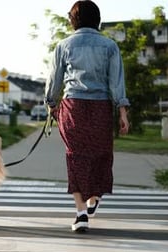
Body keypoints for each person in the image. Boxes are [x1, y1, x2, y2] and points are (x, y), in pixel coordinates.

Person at [44, 0, 130, 232]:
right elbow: (117, 82)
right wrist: (123, 111)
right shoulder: (110, 46)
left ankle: (81, 212)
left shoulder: (64, 45)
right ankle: (94, 198)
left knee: (76, 157)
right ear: (97, 19)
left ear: (73, 20)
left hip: (73, 107)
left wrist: (51, 104)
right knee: (101, 155)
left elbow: (54, 79)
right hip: (101, 107)